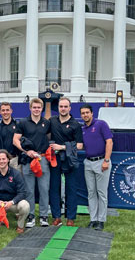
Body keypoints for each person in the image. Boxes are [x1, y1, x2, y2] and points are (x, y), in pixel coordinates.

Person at [13, 97, 51, 228]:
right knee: (29, 190)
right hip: (28, 160)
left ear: (41, 108)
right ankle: (30, 216)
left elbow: (51, 138)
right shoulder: (23, 122)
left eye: (39, 107)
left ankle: (44, 216)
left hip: (43, 159)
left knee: (44, 189)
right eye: (34, 107)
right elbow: (15, 140)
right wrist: (26, 151)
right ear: (30, 108)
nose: (36, 110)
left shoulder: (46, 123)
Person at [49, 97, 83, 227]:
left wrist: (62, 147)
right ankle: (56, 217)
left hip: (70, 160)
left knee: (71, 189)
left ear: (70, 108)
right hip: (55, 159)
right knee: (54, 188)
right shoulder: (52, 121)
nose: (63, 109)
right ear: (58, 108)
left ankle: (70, 218)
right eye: (61, 106)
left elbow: (79, 145)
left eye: (65, 106)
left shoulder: (75, 124)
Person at [80, 104, 113, 231]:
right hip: (88, 162)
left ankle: (101, 220)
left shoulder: (101, 124)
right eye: (83, 113)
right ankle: (93, 219)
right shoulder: (83, 128)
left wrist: (106, 160)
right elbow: (81, 145)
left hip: (101, 161)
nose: (85, 115)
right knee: (91, 192)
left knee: (102, 192)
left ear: (92, 113)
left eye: (87, 112)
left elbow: (109, 142)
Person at [0, 149, 29, 233]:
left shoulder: (16, 174)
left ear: (8, 159)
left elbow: (22, 192)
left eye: (3, 159)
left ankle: (20, 225)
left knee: (25, 205)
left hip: (13, 203)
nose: (2, 161)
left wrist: (12, 202)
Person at [0, 102, 19, 168]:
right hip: (1, 161)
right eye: (3, 110)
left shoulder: (18, 125)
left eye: (7, 110)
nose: (5, 112)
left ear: (11, 111)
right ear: (0, 112)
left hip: (14, 159)